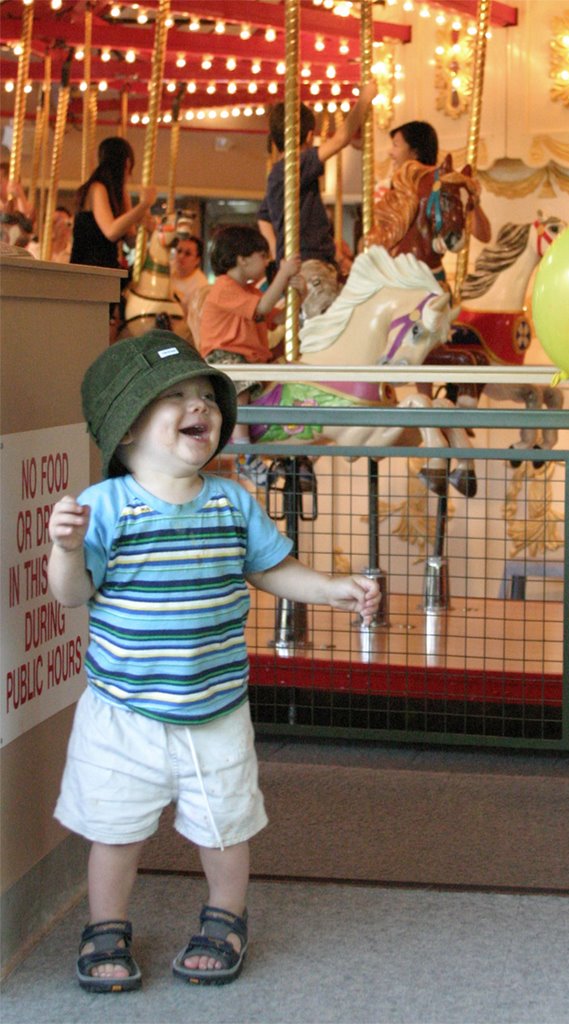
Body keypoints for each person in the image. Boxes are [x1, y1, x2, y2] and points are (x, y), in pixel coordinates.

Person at [48, 330, 380, 992]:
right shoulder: (103, 509)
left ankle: (226, 916)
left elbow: (273, 570)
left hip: (215, 709)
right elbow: (73, 594)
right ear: (124, 432)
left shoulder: (232, 502)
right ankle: (106, 925)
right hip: (124, 711)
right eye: (174, 397)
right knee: (113, 830)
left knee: (223, 825)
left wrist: (332, 589)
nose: (199, 405)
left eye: (205, 396)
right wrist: (63, 547)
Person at [197, 225, 301, 484]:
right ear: (243, 259)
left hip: (250, 359)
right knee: (240, 385)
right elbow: (263, 308)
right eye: (263, 256)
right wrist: (284, 274)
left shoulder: (250, 292)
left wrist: (298, 293)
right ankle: (243, 451)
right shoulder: (224, 287)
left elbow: (278, 315)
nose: (267, 262)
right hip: (223, 357)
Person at [257, 82, 377, 267]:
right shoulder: (298, 164)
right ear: (309, 136)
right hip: (311, 260)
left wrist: (277, 251)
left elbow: (263, 217)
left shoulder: (276, 174)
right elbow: (339, 140)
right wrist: (365, 99)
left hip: (298, 260)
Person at [71, 137, 157, 336]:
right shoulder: (97, 188)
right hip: (89, 267)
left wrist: (145, 222)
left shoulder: (118, 192)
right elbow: (110, 231)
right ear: (126, 163)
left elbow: (129, 236)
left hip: (108, 268)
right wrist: (143, 205)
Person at [380, 119, 492, 245]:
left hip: (424, 261)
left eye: (395, 145)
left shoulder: (440, 184)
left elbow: (483, 234)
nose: (390, 152)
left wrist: (473, 202)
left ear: (414, 152)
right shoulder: (395, 185)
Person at [170, 233, 208, 313]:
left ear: (197, 260)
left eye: (187, 254)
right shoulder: (166, 269)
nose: (181, 256)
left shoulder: (201, 287)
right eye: (179, 251)